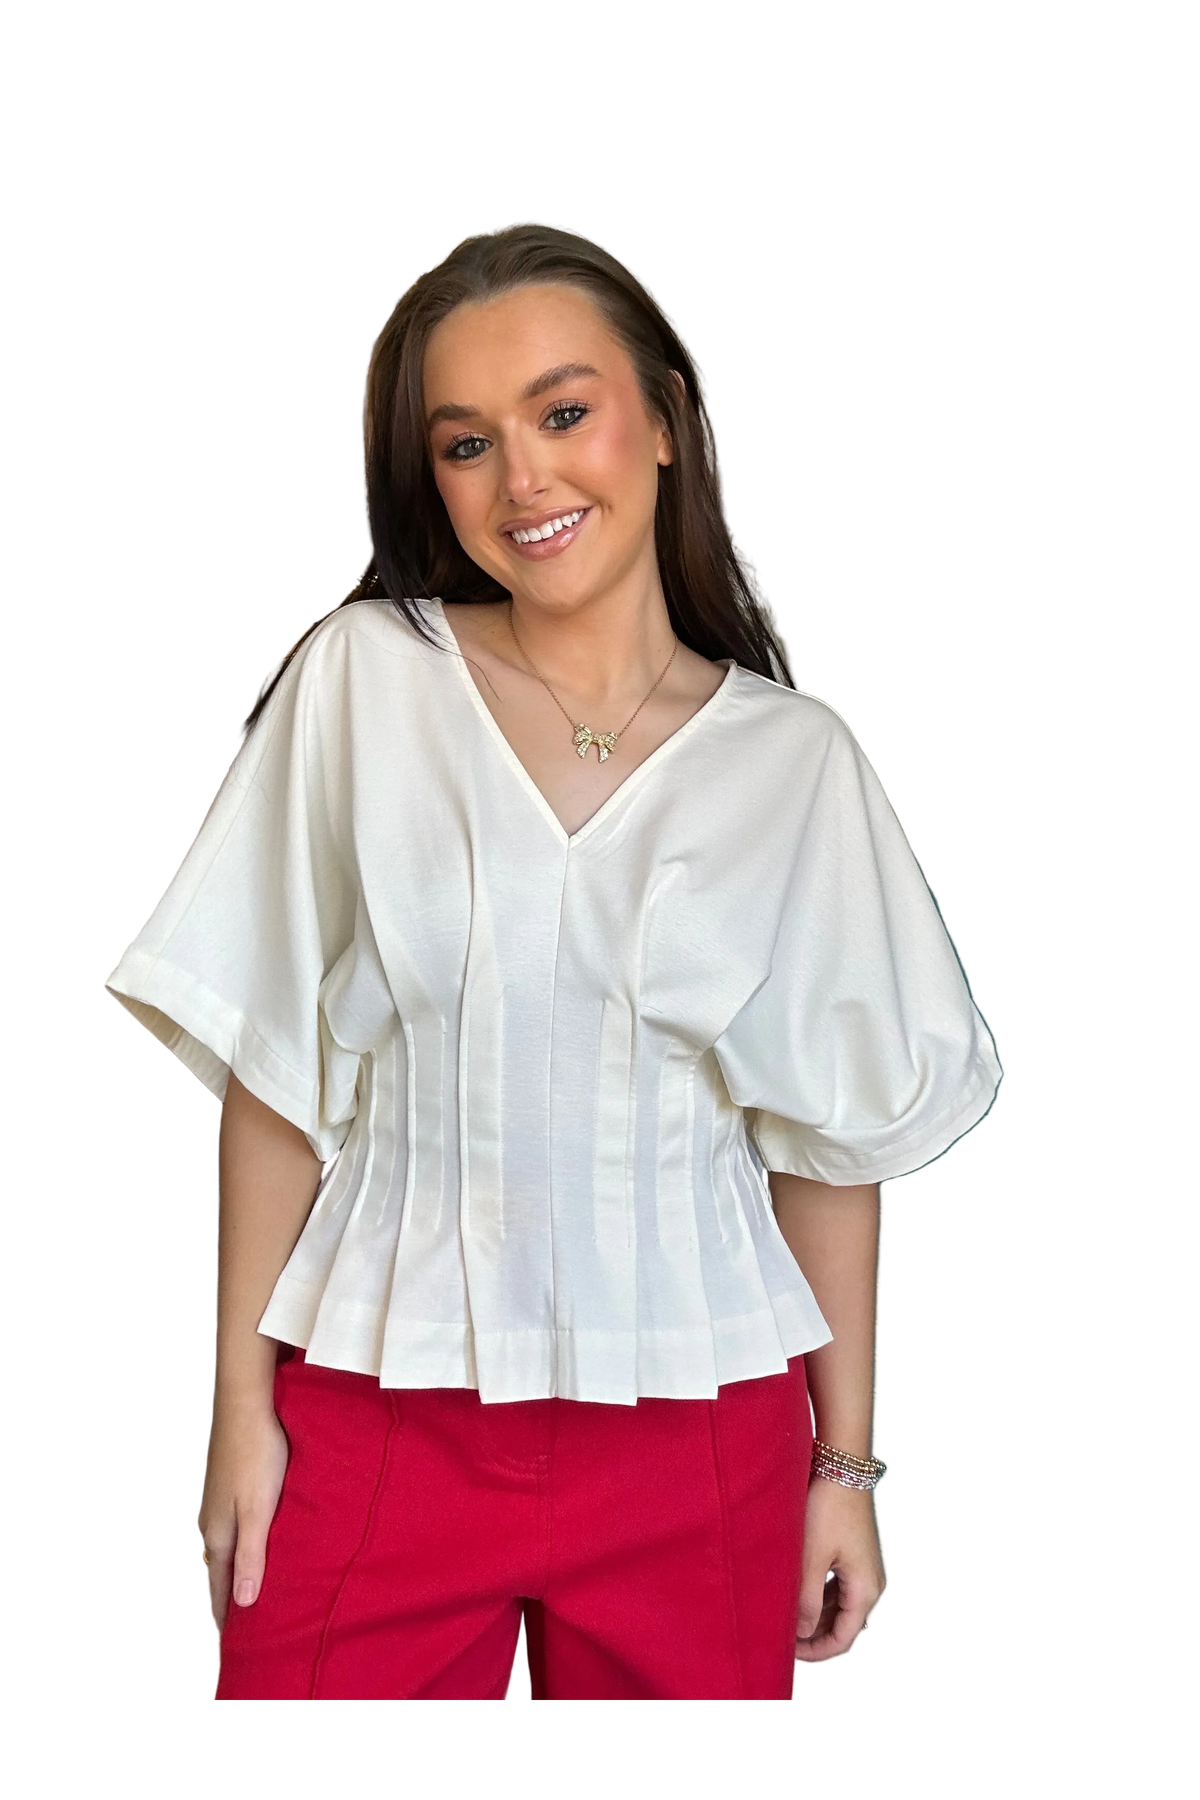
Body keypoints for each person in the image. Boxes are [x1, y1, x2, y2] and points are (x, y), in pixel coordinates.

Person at [105, 224, 1002, 1701]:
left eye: (563, 412)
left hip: (700, 1436)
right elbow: (277, 1073)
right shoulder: (363, 682)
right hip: (377, 1417)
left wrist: (843, 1465)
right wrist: (236, 1408)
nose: (521, 478)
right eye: (466, 443)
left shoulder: (796, 763)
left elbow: (830, 1143)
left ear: (666, 419)